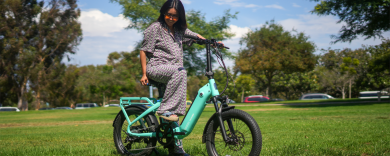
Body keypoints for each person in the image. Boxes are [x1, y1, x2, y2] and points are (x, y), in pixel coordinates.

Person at [139, 0, 205, 155]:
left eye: (175, 16)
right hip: (156, 68)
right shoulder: (155, 28)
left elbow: (196, 36)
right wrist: (144, 73)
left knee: (173, 114)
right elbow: (143, 50)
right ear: (163, 13)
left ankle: (176, 148)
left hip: (173, 71)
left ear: (180, 17)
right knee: (180, 73)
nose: (171, 18)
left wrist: (213, 43)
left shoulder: (179, 30)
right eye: (168, 14)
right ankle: (165, 110)